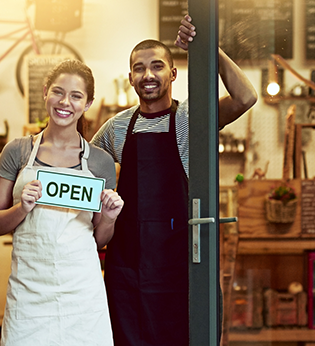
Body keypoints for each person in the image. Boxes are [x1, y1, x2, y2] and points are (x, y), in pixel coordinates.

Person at [90, 15, 257, 346]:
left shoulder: (192, 118)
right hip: (129, 269)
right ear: (130, 78)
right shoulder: (115, 128)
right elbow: (83, 170)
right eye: (139, 68)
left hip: (182, 264)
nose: (148, 75)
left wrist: (208, 48)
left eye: (157, 66)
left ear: (173, 73)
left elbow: (245, 98)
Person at [0, 60, 124, 346]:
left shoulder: (100, 162)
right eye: (58, 92)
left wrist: (109, 216)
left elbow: (99, 240)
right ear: (45, 92)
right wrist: (20, 208)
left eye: (76, 96)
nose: (65, 102)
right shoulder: (18, 152)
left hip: (82, 292)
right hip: (29, 291)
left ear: (87, 104)